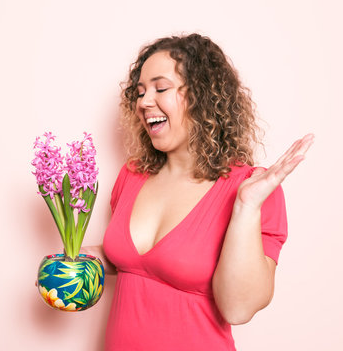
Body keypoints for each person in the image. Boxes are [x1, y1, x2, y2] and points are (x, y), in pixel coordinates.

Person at [81, 33, 314, 350]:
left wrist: (245, 207)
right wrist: (81, 261)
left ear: (201, 97)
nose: (144, 101)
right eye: (139, 92)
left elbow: (238, 307)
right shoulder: (132, 175)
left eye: (160, 88)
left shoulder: (251, 189)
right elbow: (137, 265)